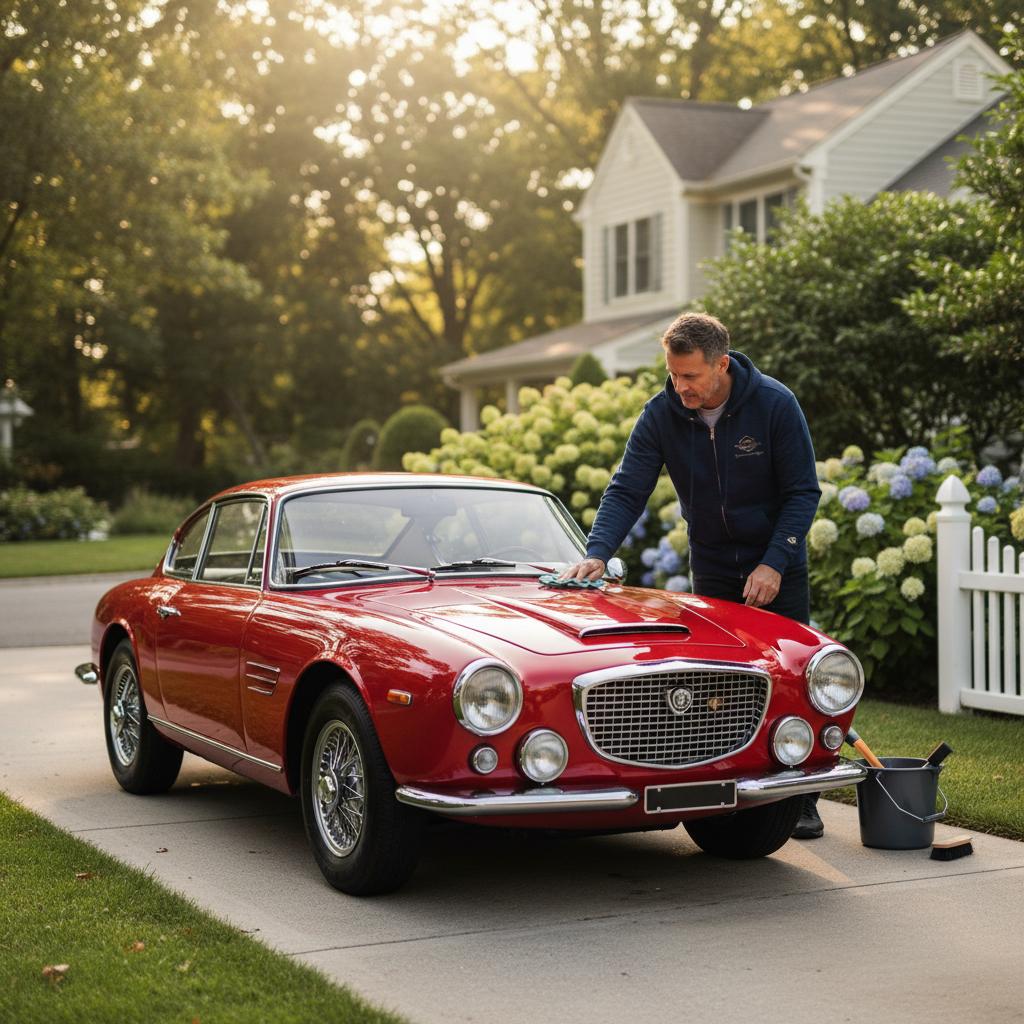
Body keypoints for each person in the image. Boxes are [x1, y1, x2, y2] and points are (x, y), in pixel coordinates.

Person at [560, 311, 825, 839]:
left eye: (691, 377)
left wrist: (775, 561)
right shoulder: (661, 414)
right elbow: (628, 487)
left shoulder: (774, 404)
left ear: (720, 364)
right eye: (674, 374)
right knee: (719, 683)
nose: (679, 386)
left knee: (791, 677)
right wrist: (597, 551)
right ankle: (725, 790)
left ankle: (801, 798)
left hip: (776, 561)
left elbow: (802, 492)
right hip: (712, 563)